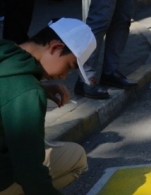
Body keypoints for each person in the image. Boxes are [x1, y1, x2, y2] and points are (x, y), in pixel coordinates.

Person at [0, 18, 97, 195]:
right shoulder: (27, 92)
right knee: (77, 158)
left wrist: (40, 86)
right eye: (69, 66)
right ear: (55, 47)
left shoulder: (5, 52)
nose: (64, 76)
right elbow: (29, 171)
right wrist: (34, 88)